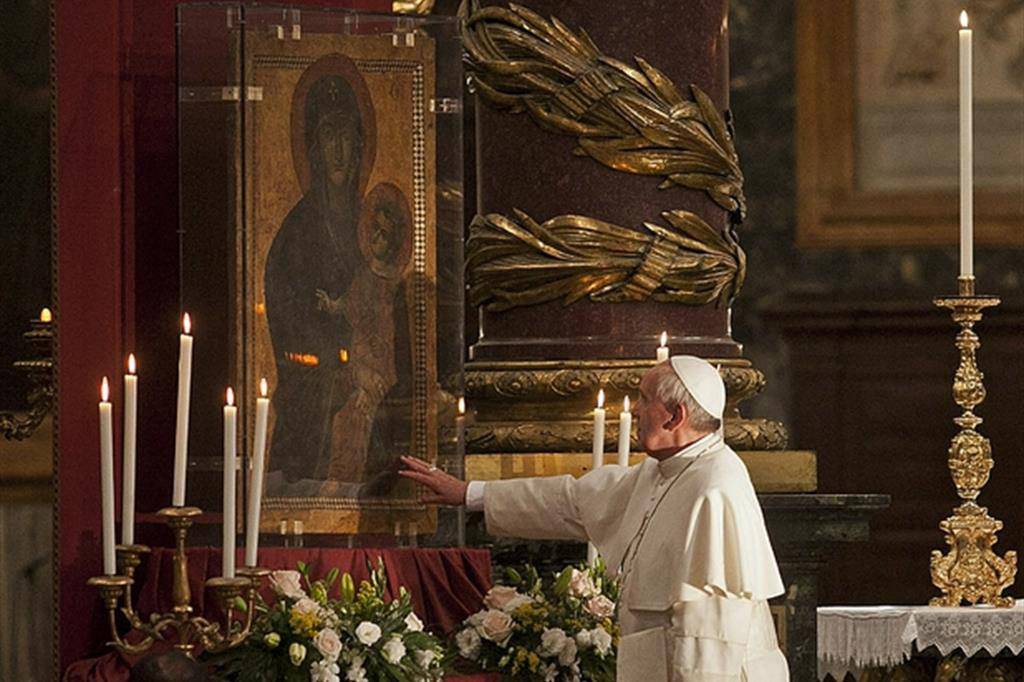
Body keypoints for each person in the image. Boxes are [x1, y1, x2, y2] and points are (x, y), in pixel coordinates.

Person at [400, 355, 789, 680]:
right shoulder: (661, 471)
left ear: (675, 415)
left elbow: (712, 636)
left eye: (644, 398)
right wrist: (470, 493)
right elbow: (569, 500)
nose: (636, 410)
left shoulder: (714, 488)